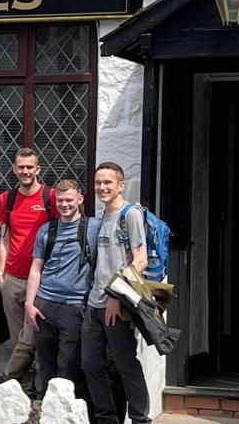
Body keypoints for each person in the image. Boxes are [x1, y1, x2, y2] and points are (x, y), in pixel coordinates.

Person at [82, 162, 151, 424]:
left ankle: (139, 418)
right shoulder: (102, 218)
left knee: (125, 364)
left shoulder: (130, 214)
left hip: (117, 303)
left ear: (120, 185)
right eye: (98, 182)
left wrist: (115, 296)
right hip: (94, 303)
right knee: (90, 364)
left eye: (107, 182)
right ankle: (106, 418)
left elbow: (141, 260)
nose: (101, 187)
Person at [0, 147, 59, 394]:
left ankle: (8, 379)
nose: (25, 171)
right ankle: (26, 392)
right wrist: (1, 274)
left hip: (41, 280)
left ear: (38, 169)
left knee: (30, 339)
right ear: (14, 169)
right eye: (21, 167)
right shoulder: (6, 199)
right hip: (12, 278)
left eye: (30, 167)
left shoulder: (49, 197)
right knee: (17, 339)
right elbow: (5, 238)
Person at [25, 179, 100, 396]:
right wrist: (30, 304)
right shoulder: (46, 230)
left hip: (74, 305)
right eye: (60, 201)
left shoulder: (93, 228)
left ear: (80, 199)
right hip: (45, 304)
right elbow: (36, 268)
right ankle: (46, 407)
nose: (64, 204)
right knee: (45, 362)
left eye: (69, 200)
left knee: (67, 362)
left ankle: (65, 410)